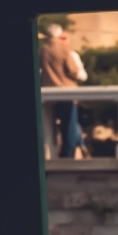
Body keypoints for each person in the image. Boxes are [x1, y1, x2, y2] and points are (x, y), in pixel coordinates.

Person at [41, 25, 87, 160]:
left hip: (49, 92)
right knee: (69, 124)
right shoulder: (64, 49)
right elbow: (73, 71)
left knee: (50, 125)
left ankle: (52, 152)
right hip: (66, 92)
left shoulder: (42, 50)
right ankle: (68, 153)